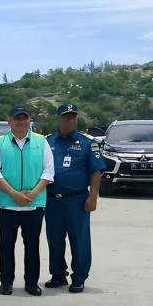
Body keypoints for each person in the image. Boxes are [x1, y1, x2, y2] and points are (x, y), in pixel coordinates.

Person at [0, 105, 55, 296]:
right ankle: (7, 282)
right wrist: (15, 195)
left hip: (34, 205)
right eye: (17, 118)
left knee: (33, 245)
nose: (21, 121)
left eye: (24, 118)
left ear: (30, 121)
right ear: (9, 121)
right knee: (7, 245)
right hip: (8, 205)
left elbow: (49, 171)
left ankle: (31, 283)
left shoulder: (41, 142)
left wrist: (33, 193)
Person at [44, 104, 105, 294]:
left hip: (77, 200)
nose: (69, 120)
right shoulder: (47, 142)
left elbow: (96, 171)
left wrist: (93, 196)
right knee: (54, 239)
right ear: (58, 119)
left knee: (79, 239)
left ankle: (79, 277)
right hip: (52, 200)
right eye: (66, 117)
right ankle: (58, 274)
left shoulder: (88, 143)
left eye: (73, 117)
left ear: (76, 119)